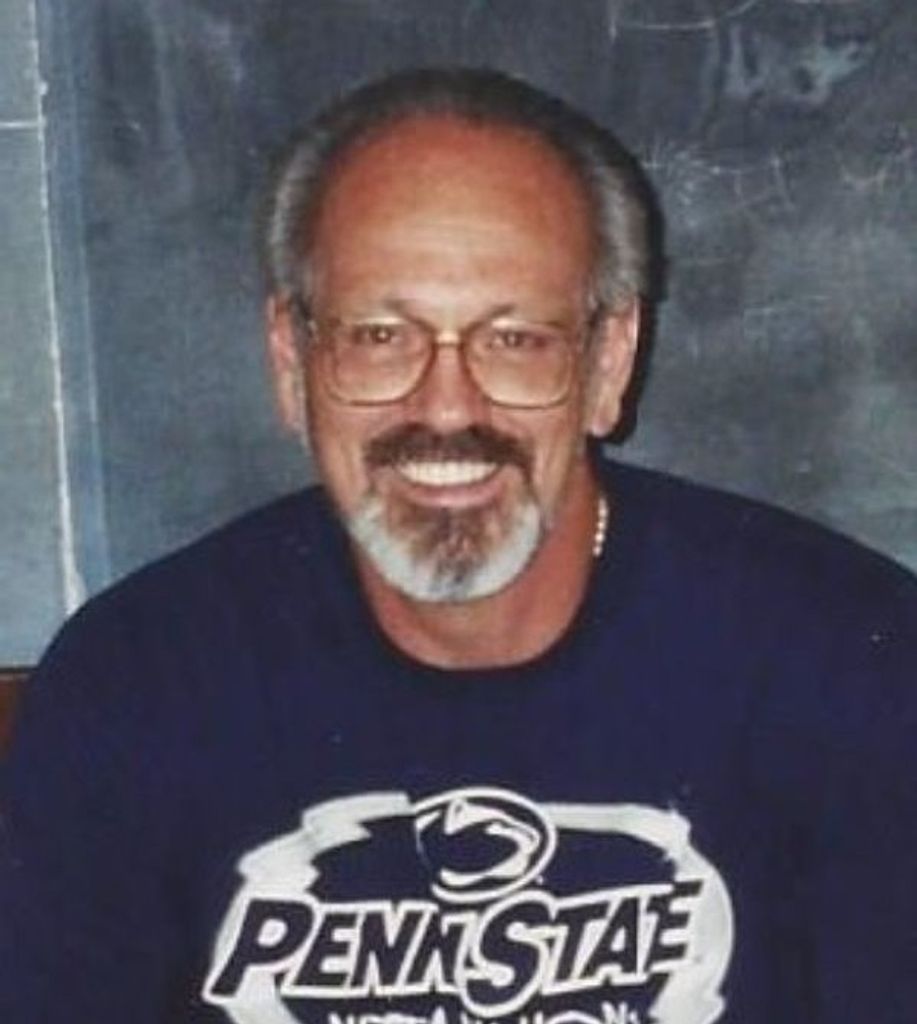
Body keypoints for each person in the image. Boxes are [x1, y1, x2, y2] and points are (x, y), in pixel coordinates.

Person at [1, 67, 915, 1024]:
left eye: (514, 340)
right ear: (291, 363)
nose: (445, 406)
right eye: (379, 336)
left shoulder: (849, 662)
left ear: (607, 363)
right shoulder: (137, 683)